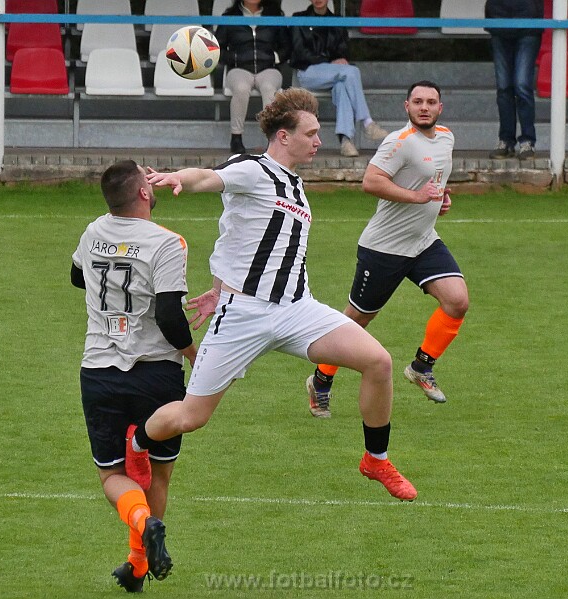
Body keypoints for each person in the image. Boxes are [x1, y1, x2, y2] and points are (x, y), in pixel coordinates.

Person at [138, 87, 417, 501]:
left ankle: (375, 459)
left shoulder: (296, 186)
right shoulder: (253, 169)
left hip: (297, 309)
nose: (319, 141)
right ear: (283, 136)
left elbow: (237, 236)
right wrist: (180, 177)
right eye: (311, 133)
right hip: (244, 315)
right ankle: (137, 443)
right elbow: (208, 177)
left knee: (378, 361)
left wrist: (217, 286)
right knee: (191, 417)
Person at [306, 81, 467, 418]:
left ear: (440, 107)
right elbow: (371, 181)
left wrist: (440, 199)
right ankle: (320, 380)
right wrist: (418, 198)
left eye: (431, 102)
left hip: (423, 241)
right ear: (407, 106)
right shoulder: (399, 141)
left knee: (457, 301)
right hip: (384, 248)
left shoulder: (446, 137)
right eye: (418, 101)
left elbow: (433, 180)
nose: (424, 107)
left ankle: (421, 367)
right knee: (356, 322)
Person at [71, 160, 196, 592]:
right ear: (144, 192)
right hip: (157, 374)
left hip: (100, 371)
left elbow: (77, 276)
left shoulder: (92, 232)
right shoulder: (167, 242)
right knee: (158, 474)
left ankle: (139, 552)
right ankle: (141, 552)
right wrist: (195, 355)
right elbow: (169, 315)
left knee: (113, 476)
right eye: (148, 177)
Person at [289, 0, 388, 157]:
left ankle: (346, 142)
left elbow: (343, 50)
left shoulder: (337, 21)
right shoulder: (299, 18)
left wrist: (338, 59)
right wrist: (329, 61)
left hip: (334, 74)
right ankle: (367, 122)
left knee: (342, 86)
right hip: (308, 71)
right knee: (352, 72)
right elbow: (300, 52)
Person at [215, 0, 290, 154]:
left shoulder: (275, 16)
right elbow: (217, 49)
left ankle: (272, 139)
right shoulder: (230, 17)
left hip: (269, 68)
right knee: (241, 88)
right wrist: (235, 58)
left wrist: (275, 57)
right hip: (239, 68)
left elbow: (287, 47)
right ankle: (236, 137)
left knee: (269, 88)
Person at [486, 0, 542, 160]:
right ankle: (506, 140)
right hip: (499, 23)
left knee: (522, 85)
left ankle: (527, 141)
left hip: (528, 25)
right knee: (504, 87)